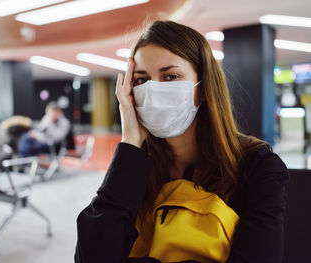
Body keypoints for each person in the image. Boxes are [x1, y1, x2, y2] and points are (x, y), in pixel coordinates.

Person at [74, 21, 289, 263]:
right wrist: (130, 143)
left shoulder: (258, 166)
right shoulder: (135, 167)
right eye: (141, 80)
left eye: (170, 76)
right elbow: (91, 256)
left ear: (204, 87)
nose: (154, 91)